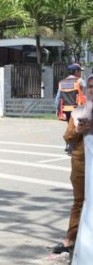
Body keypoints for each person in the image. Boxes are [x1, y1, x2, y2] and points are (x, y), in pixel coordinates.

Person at [52, 75, 93, 254]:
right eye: (90, 86)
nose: (92, 90)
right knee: (79, 201)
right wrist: (78, 129)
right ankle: (70, 240)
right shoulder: (78, 112)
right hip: (81, 163)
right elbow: (67, 138)